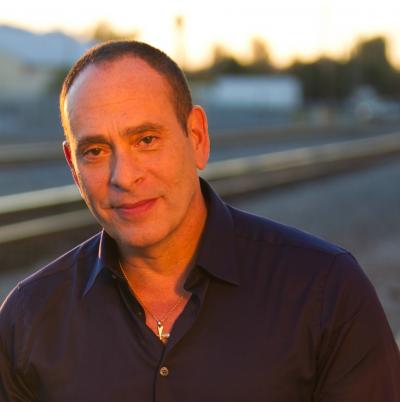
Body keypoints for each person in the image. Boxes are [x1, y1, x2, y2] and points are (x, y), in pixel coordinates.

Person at [0, 40, 399, 402]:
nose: (124, 176)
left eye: (146, 140)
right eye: (95, 151)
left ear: (197, 137)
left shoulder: (325, 291)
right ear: (73, 167)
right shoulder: (28, 320)